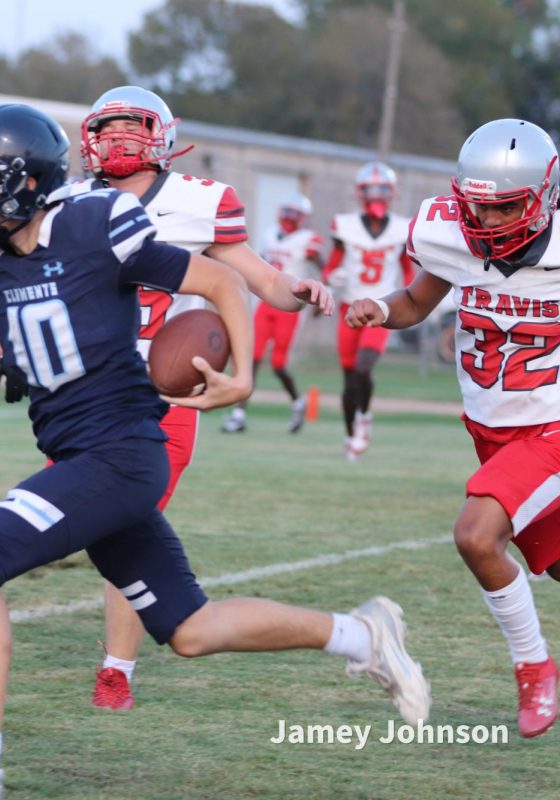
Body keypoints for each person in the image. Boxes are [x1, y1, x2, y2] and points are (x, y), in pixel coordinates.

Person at [0, 103, 428, 799]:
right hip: (84, 456)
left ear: (24, 181)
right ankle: (362, 635)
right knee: (191, 629)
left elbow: (221, 280)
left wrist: (244, 376)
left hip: (124, 450)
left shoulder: (94, 222)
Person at [76, 86, 334, 710]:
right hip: (87, 397)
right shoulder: (72, 205)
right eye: (105, 129)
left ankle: (117, 669)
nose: (117, 140)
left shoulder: (197, 203)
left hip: (167, 396)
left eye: (130, 128)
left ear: (161, 135)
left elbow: (260, 278)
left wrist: (296, 289)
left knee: (121, 521)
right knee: (98, 525)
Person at [347, 118, 560, 738]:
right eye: (478, 208)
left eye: (504, 210)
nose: (488, 224)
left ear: (544, 195)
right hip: (493, 430)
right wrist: (380, 309)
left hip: (550, 428)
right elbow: (416, 302)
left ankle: (534, 668)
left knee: (475, 534)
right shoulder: (449, 233)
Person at [323, 161, 415, 461]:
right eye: (370, 189)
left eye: (381, 189)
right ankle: (351, 435)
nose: (375, 194)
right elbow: (332, 263)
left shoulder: (402, 228)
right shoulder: (345, 225)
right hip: (349, 308)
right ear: (360, 192)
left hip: (380, 309)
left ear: (391, 193)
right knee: (349, 379)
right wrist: (329, 277)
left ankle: (365, 416)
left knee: (364, 367)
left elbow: (407, 270)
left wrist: (414, 301)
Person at [222, 193, 325, 433]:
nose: (289, 217)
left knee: (278, 364)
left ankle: (298, 402)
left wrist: (322, 297)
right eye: (287, 211)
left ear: (304, 218)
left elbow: (324, 267)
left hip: (290, 306)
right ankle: (239, 414)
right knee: (252, 358)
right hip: (266, 303)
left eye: (294, 213)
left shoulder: (307, 239)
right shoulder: (270, 234)